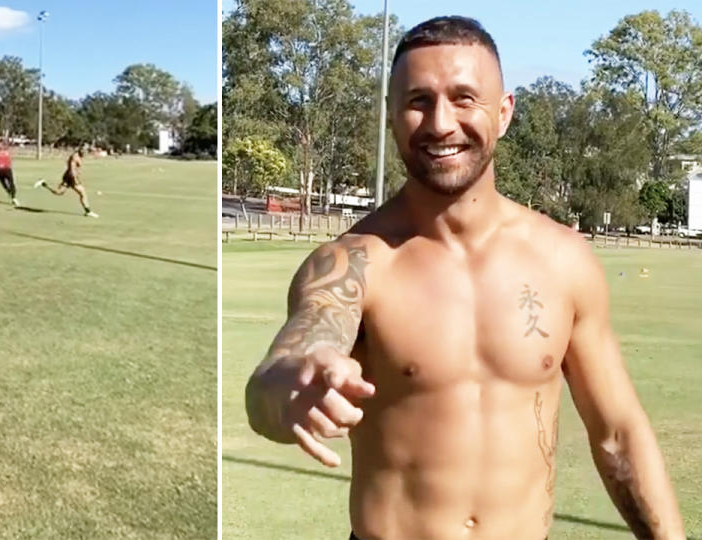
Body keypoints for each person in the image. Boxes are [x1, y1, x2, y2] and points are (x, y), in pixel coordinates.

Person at [244, 16, 685, 540]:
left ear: (503, 113)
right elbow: (278, 375)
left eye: (463, 98)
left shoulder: (563, 259)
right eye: (417, 101)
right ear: (391, 116)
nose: (440, 123)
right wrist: (289, 383)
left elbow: (617, 434)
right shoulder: (354, 261)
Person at [34, 147, 99, 217]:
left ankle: (43, 183)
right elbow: (72, 169)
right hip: (71, 178)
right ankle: (88, 211)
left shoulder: (78, 156)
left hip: (70, 177)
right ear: (81, 151)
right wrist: (75, 179)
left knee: (59, 192)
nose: (85, 154)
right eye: (85, 152)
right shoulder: (74, 157)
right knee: (82, 193)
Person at [0, 140, 20, 207]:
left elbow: (9, 148)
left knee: (11, 184)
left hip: (7, 169)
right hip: (0, 170)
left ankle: (14, 198)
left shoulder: (6, 151)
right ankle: (11, 194)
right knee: (4, 185)